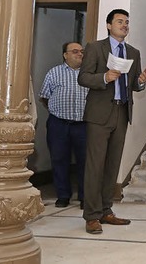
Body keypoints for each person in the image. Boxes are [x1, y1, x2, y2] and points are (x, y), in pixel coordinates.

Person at [78, 9, 146, 235]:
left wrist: (140, 82)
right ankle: (91, 216)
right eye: (120, 21)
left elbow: (134, 85)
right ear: (109, 25)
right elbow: (83, 77)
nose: (124, 25)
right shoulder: (95, 48)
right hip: (99, 114)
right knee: (95, 165)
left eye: (127, 22)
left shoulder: (133, 52)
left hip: (122, 113)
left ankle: (106, 210)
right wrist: (103, 77)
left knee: (112, 166)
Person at [39, 42, 89, 209]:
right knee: (59, 159)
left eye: (81, 51)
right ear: (65, 55)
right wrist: (58, 111)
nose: (79, 54)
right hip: (58, 124)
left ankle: (84, 197)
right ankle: (63, 195)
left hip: (83, 125)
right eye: (75, 51)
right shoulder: (54, 73)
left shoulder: (89, 74)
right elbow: (44, 96)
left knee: (85, 161)